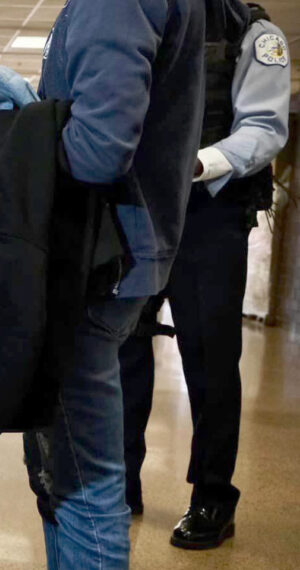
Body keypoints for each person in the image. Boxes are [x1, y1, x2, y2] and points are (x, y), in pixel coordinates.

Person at [22, 0, 207, 568]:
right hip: (114, 257)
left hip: (96, 264)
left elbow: (99, 148)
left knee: (81, 485)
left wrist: (19, 137)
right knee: (65, 479)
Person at [119, 0, 290, 549]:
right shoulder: (145, 18)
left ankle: (213, 496)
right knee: (123, 346)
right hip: (141, 207)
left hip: (210, 213)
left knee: (211, 360)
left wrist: (197, 163)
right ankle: (120, 481)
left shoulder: (253, 32)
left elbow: (264, 126)